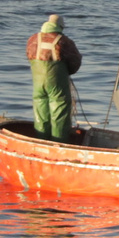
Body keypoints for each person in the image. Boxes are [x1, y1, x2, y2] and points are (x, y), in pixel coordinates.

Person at [25, 13, 82, 142]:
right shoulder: (63, 41)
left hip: (38, 83)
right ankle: (59, 142)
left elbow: (28, 56)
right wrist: (68, 71)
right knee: (59, 108)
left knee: (40, 108)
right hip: (57, 83)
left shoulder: (32, 39)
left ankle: (41, 140)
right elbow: (75, 62)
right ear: (60, 27)